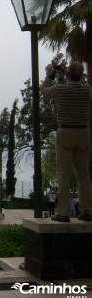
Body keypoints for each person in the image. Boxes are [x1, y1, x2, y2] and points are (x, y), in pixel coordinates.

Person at [41, 61, 92, 222]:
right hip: (83, 132)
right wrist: (69, 73)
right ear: (81, 75)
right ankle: (87, 211)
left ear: (68, 75)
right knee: (83, 174)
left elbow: (43, 91)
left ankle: (63, 213)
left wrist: (49, 76)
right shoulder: (87, 89)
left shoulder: (61, 89)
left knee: (63, 173)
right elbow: (83, 83)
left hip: (65, 131)